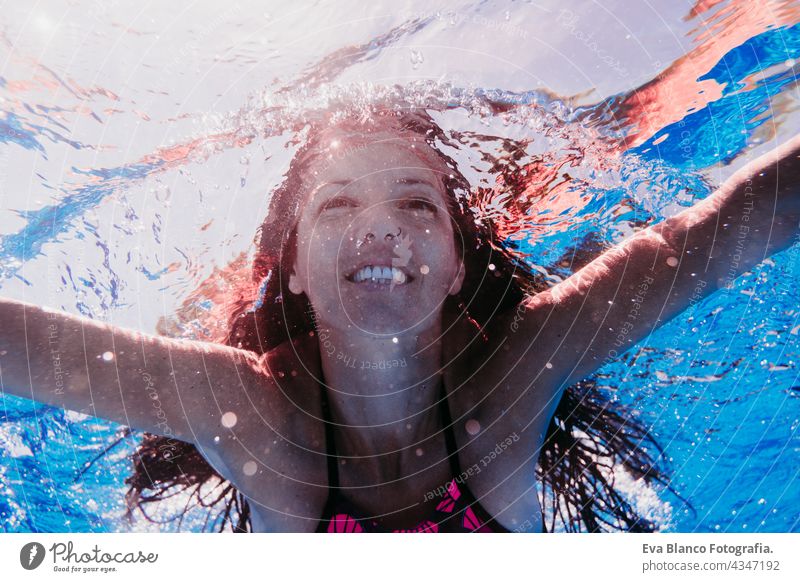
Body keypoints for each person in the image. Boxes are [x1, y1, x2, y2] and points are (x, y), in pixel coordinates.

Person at [1, 108, 797, 533]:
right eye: (338, 203)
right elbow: (29, 346)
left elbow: (715, 230)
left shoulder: (517, 370)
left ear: (457, 266)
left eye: (415, 203)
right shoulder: (246, 410)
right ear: (297, 269)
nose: (378, 228)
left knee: (593, 242)